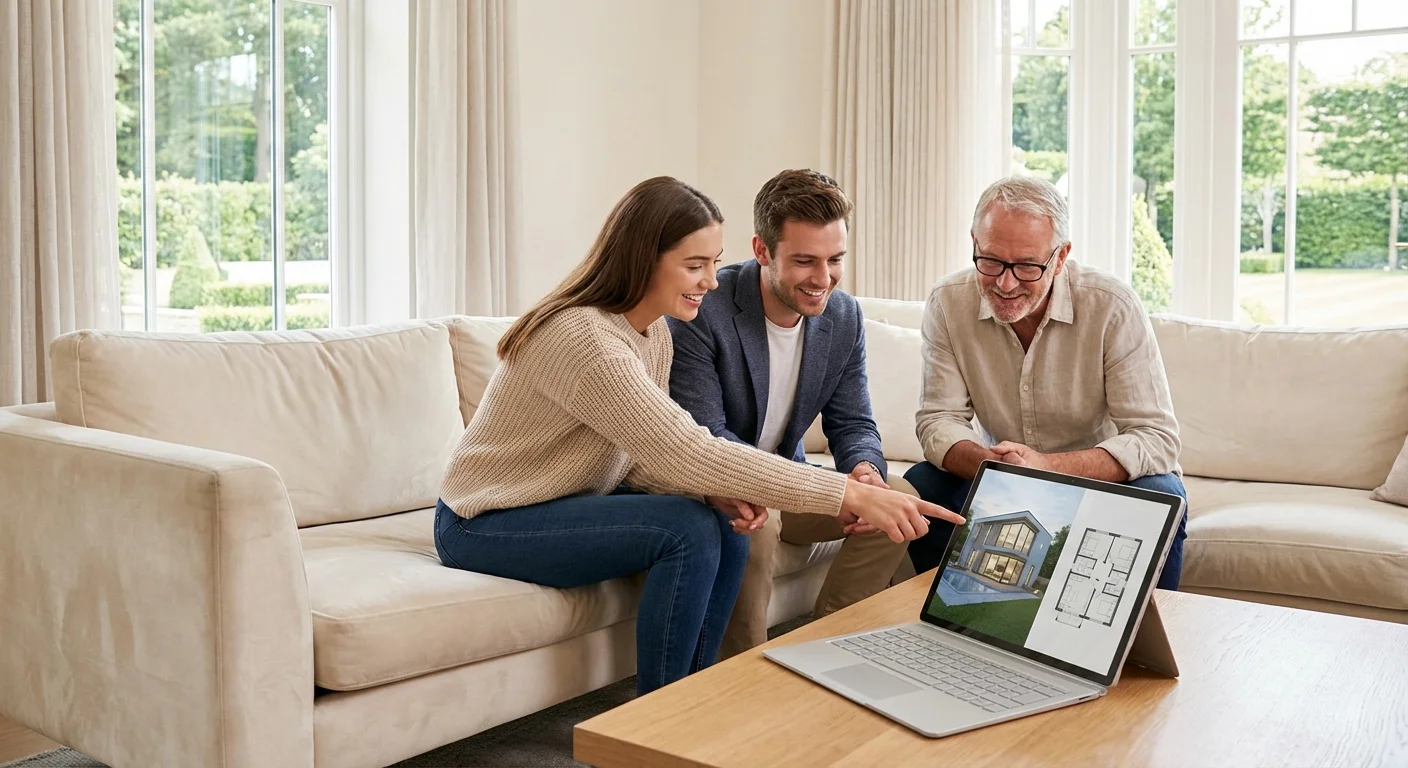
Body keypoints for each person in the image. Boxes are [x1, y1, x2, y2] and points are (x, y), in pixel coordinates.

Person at [435, 176, 954, 695]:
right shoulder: (586, 340)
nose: (711, 281)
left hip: (569, 502)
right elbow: (685, 448)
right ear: (644, 259)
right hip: (485, 520)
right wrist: (845, 493)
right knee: (688, 529)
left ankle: (704, 695)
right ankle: (661, 712)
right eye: (694, 265)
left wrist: (714, 491)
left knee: (714, 519)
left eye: (713, 262)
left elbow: (641, 455)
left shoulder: (651, 333)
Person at [668, 169, 914, 658]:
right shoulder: (704, 311)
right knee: (756, 531)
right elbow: (707, 436)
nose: (823, 279)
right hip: (720, 484)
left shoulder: (844, 316)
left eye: (835, 259)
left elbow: (853, 422)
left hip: (791, 479)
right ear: (762, 251)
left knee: (898, 499)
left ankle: (828, 650)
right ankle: (743, 675)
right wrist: (820, 490)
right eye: (804, 261)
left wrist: (865, 472)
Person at [904, 175, 1188, 590]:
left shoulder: (1112, 305)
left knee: (1162, 492)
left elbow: (1156, 438)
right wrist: (993, 467)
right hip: (1001, 479)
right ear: (974, 242)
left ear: (1060, 257)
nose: (1005, 284)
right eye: (991, 261)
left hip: (1099, 484)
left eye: (1027, 266)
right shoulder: (948, 301)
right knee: (923, 485)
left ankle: (1139, 634)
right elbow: (938, 420)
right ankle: (951, 616)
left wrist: (1046, 467)